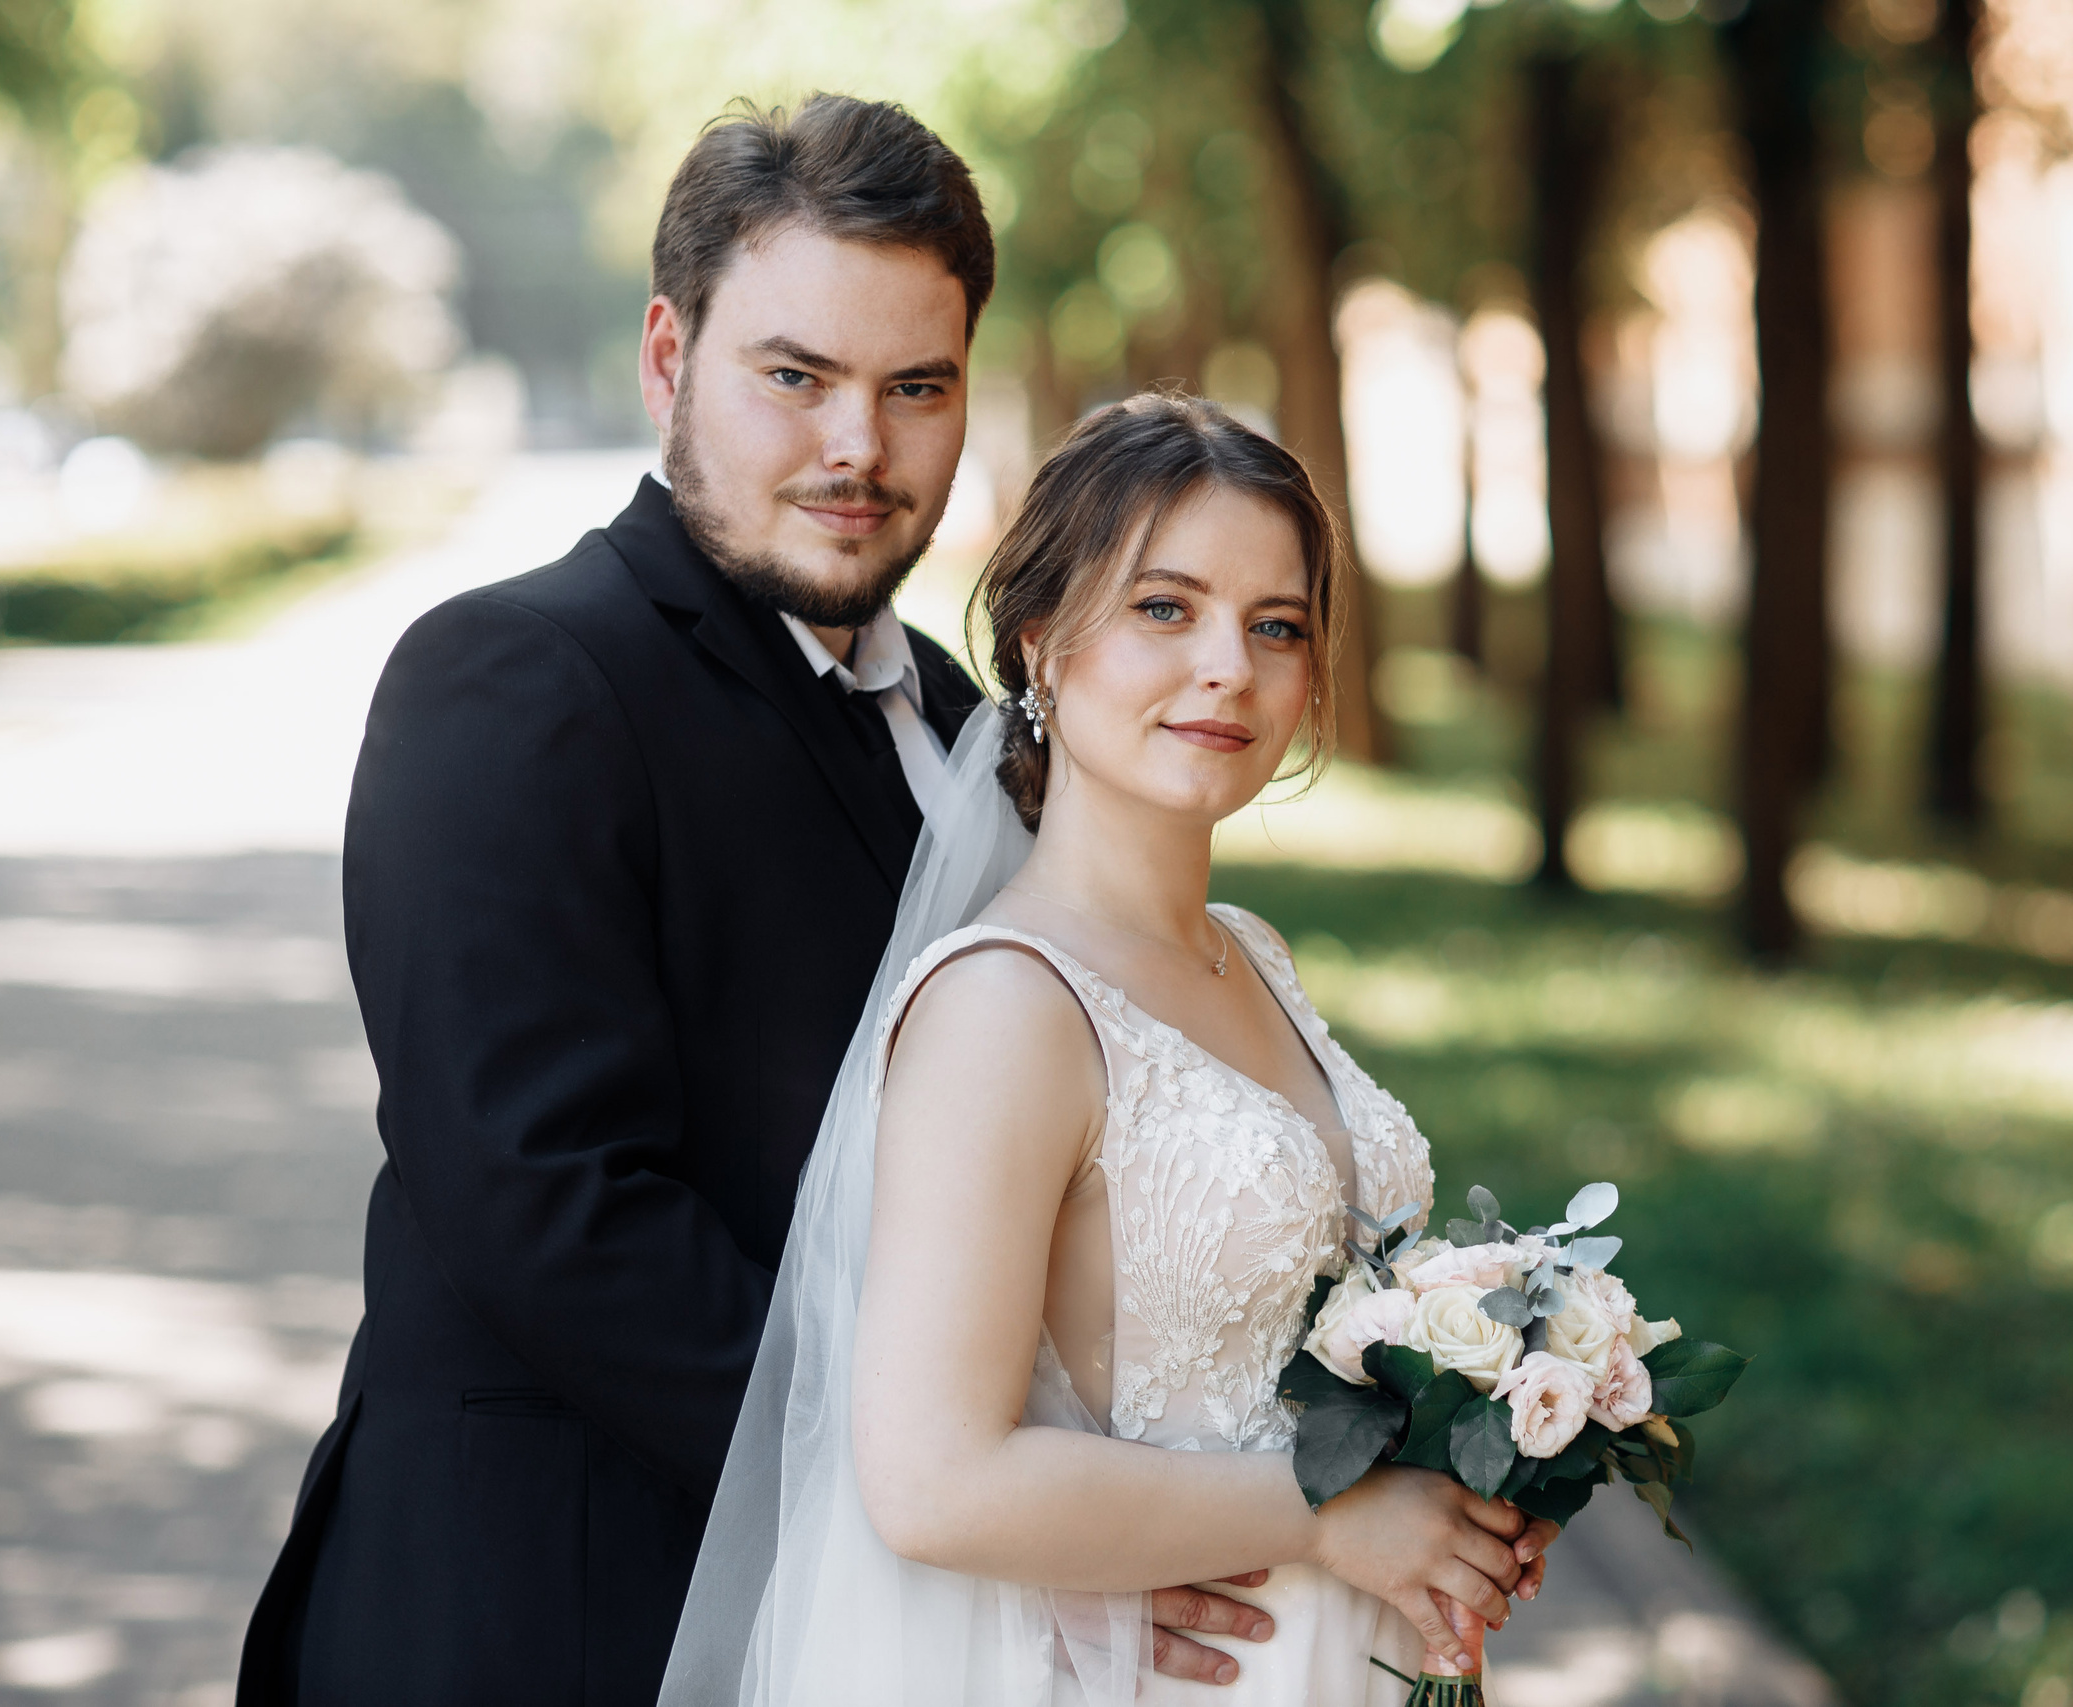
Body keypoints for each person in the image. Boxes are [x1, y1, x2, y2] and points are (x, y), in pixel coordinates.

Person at [238, 96, 1300, 1705]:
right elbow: (554, 1208)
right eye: (793, 377)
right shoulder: (517, 679)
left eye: (914, 388)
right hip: (551, 1614)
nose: (856, 447)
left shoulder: (965, 723)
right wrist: (979, 1530)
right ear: (671, 360)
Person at [662, 391, 1559, 1706]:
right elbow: (930, 1478)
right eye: (1164, 608)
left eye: (1276, 627)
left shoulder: (1250, 949)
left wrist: (1482, 1458)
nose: (1227, 669)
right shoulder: (1006, 1008)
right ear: (1042, 645)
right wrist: (1330, 1514)